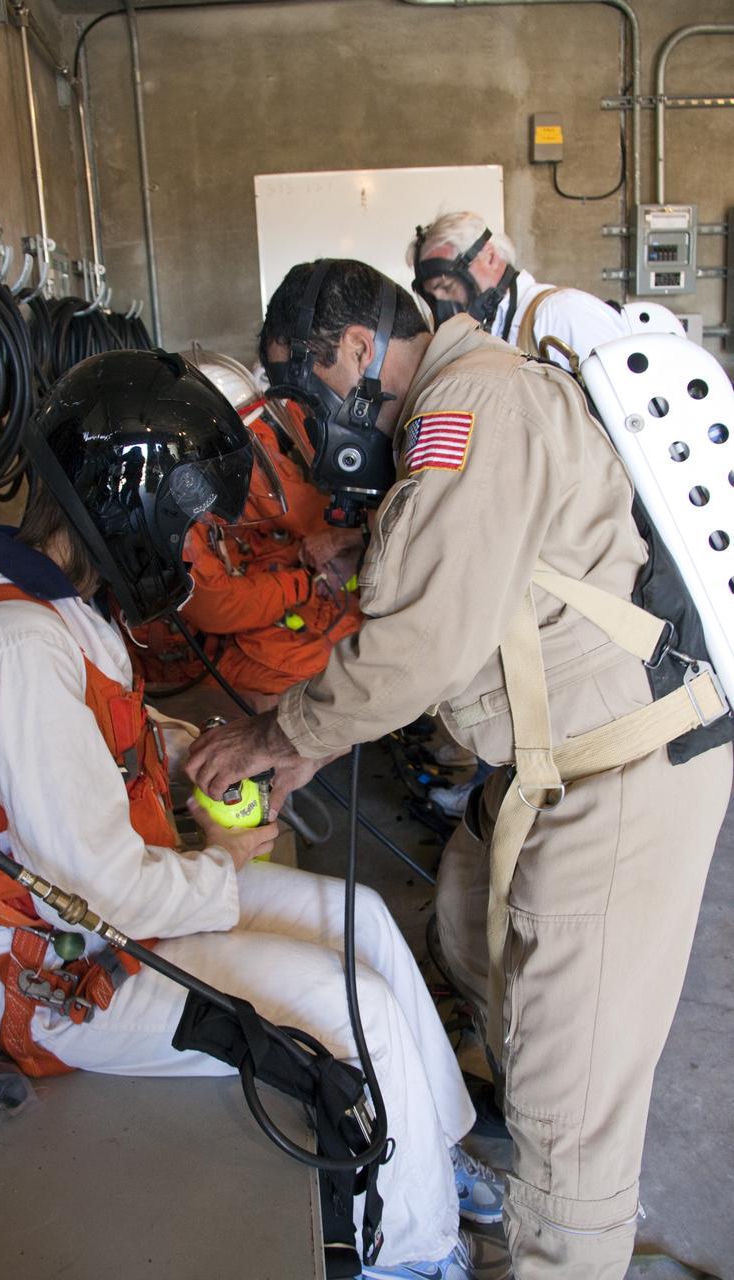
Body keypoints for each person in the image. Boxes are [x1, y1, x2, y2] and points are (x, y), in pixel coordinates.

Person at [0, 349, 506, 1280]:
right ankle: (415, 1254)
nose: (191, 546)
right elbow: (96, 895)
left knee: (363, 921)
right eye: (184, 524)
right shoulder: (14, 652)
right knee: (352, 1013)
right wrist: (222, 865)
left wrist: (192, 750)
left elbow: (99, 744)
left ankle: (430, 1146)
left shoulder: (60, 613)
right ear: (129, 511)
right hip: (58, 982)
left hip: (109, 926)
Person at [186, 259, 733, 1280]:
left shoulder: (467, 406)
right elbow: (453, 571)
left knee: (573, 1111)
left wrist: (281, 738)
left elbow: (419, 642)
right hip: (550, 761)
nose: (309, 415)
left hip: (617, 776)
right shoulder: (460, 405)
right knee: (465, 911)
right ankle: (525, 1104)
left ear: (356, 349)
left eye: (305, 384)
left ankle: (564, 1237)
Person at [125, 351, 363, 705]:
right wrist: (303, 582)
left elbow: (285, 523)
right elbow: (218, 606)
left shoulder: (214, 490)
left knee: (354, 639)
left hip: (246, 615)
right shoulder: (172, 505)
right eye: (255, 440)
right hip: (196, 655)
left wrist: (332, 546)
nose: (263, 450)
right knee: (332, 669)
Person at [407, 210, 628, 372]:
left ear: (490, 257)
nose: (444, 305)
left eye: (447, 287)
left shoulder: (561, 313)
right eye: (433, 298)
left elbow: (629, 409)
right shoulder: (489, 333)